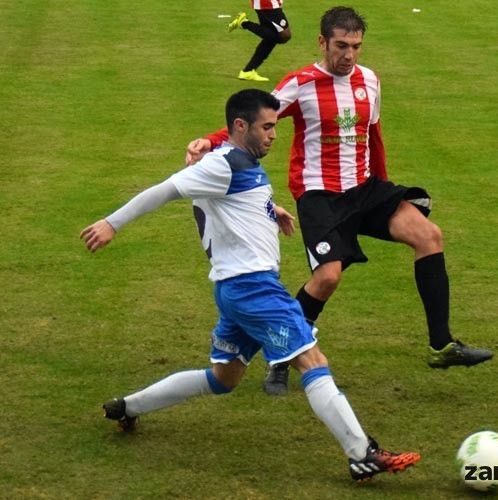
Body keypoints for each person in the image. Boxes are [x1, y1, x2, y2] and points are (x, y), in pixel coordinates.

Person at [80, 89, 420, 482]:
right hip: (254, 288)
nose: (275, 134)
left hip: (235, 289)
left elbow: (228, 201)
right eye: (268, 127)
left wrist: (268, 210)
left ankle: (128, 407)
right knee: (312, 360)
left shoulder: (239, 163)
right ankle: (362, 454)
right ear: (240, 126)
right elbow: (164, 191)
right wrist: (111, 223)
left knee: (223, 379)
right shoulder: (220, 166)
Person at [186, 6, 493, 397]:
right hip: (320, 196)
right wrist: (211, 141)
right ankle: (280, 359)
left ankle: (441, 345)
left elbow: (373, 135)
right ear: (322, 42)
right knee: (327, 277)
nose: (349, 55)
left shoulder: (369, 80)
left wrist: (384, 184)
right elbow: (258, 118)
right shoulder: (302, 84)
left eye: (356, 47)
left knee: (428, 235)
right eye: (341, 46)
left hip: (365, 190)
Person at [226, 0, 292, 82]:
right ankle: (244, 23)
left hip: (267, 4)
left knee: (271, 37)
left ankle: (248, 71)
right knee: (284, 36)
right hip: (268, 3)